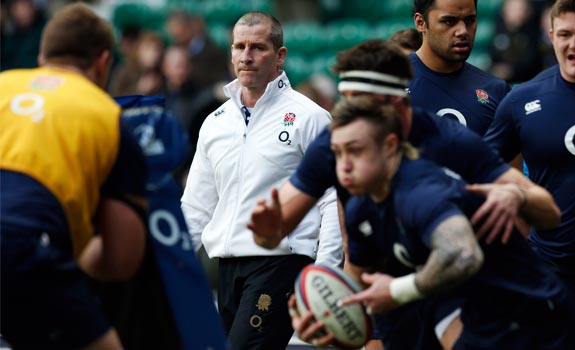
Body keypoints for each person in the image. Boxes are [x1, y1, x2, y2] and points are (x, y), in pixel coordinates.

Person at [248, 39, 561, 349]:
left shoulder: (438, 159)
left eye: (360, 103)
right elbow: (285, 230)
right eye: (346, 101)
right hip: (405, 281)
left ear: (394, 106)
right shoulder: (340, 147)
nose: (346, 117)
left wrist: (516, 197)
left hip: (476, 289)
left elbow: (544, 215)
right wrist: (332, 313)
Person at [328, 95, 575, 350]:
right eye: (338, 153)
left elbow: (462, 255)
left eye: (356, 150)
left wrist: (395, 290)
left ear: (390, 146)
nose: (344, 166)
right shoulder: (361, 207)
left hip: (527, 317)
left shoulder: (422, 192)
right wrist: (329, 315)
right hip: (458, 303)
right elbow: (363, 280)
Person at [180, 11, 342, 350]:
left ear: (280, 55)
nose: (246, 56)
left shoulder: (309, 117)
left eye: (258, 47)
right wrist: (171, 266)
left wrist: (324, 273)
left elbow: (331, 199)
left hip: (281, 263)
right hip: (226, 265)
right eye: (239, 46)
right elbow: (196, 204)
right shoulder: (215, 122)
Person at [0, 3, 147, 349]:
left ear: (41, 56)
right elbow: (121, 259)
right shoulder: (107, 116)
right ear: (102, 62)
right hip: (26, 247)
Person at [483, 0, 575, 348]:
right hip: (554, 275)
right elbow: (483, 168)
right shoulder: (521, 100)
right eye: (566, 34)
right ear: (551, 36)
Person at [409, 0, 511, 136]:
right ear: (420, 23)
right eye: (449, 21)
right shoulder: (391, 81)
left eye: (469, 20)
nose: (463, 31)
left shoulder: (496, 91)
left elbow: (509, 157)